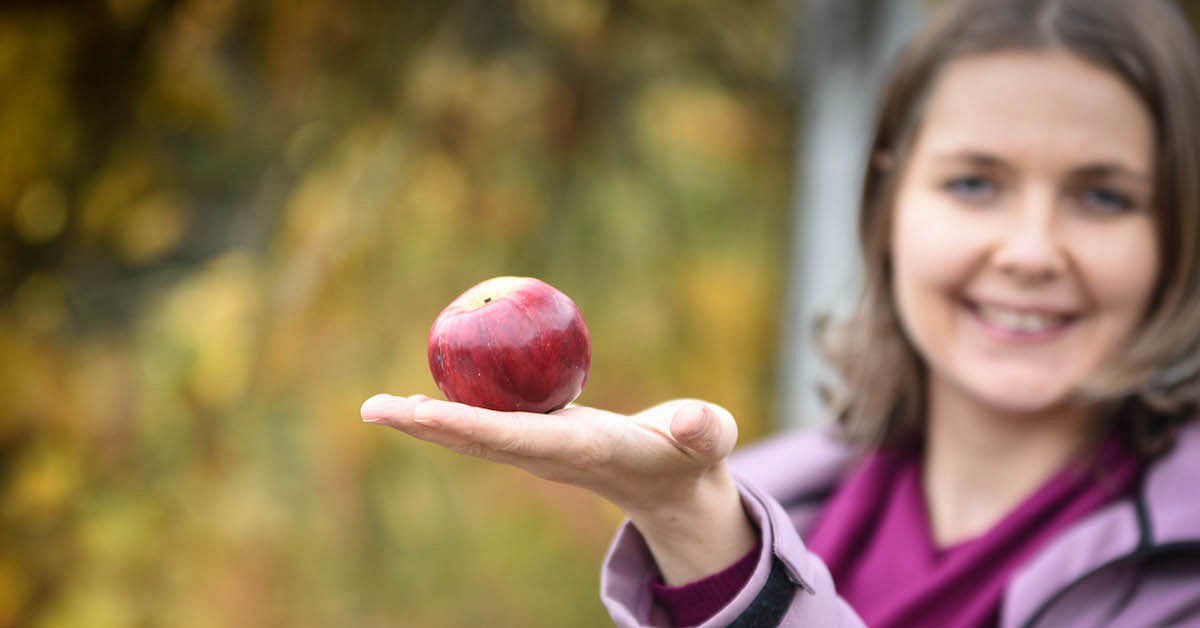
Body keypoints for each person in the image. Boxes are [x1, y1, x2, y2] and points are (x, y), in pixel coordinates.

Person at [360, 0, 1200, 625]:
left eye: (1103, 196)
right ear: (887, 206)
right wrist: (703, 527)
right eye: (974, 183)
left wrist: (710, 545)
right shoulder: (770, 497)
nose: (1030, 250)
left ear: (1179, 232)